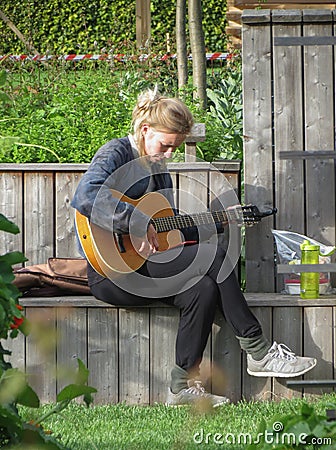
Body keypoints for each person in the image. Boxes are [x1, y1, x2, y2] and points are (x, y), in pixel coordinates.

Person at [71, 88, 317, 407]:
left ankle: (182, 386)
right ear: (145, 130)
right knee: (213, 256)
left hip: (146, 267)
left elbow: (167, 226)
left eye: (174, 147)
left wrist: (219, 221)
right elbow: (86, 196)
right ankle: (259, 352)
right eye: (165, 144)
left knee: (201, 288)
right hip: (110, 274)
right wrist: (134, 221)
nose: (169, 154)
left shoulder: (158, 171)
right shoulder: (116, 153)